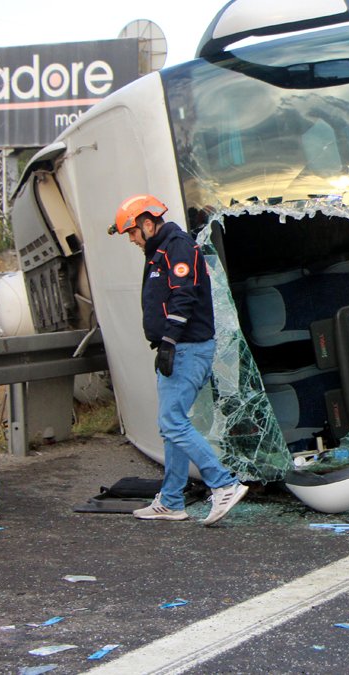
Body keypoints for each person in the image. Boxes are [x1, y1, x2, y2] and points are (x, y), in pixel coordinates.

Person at [109, 194, 248, 525]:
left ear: (147, 223)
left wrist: (170, 342)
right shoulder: (160, 251)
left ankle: (224, 484)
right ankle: (171, 501)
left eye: (131, 232)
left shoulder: (177, 247)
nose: (130, 239)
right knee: (171, 425)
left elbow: (183, 296)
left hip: (187, 348)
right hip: (178, 348)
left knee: (172, 422)